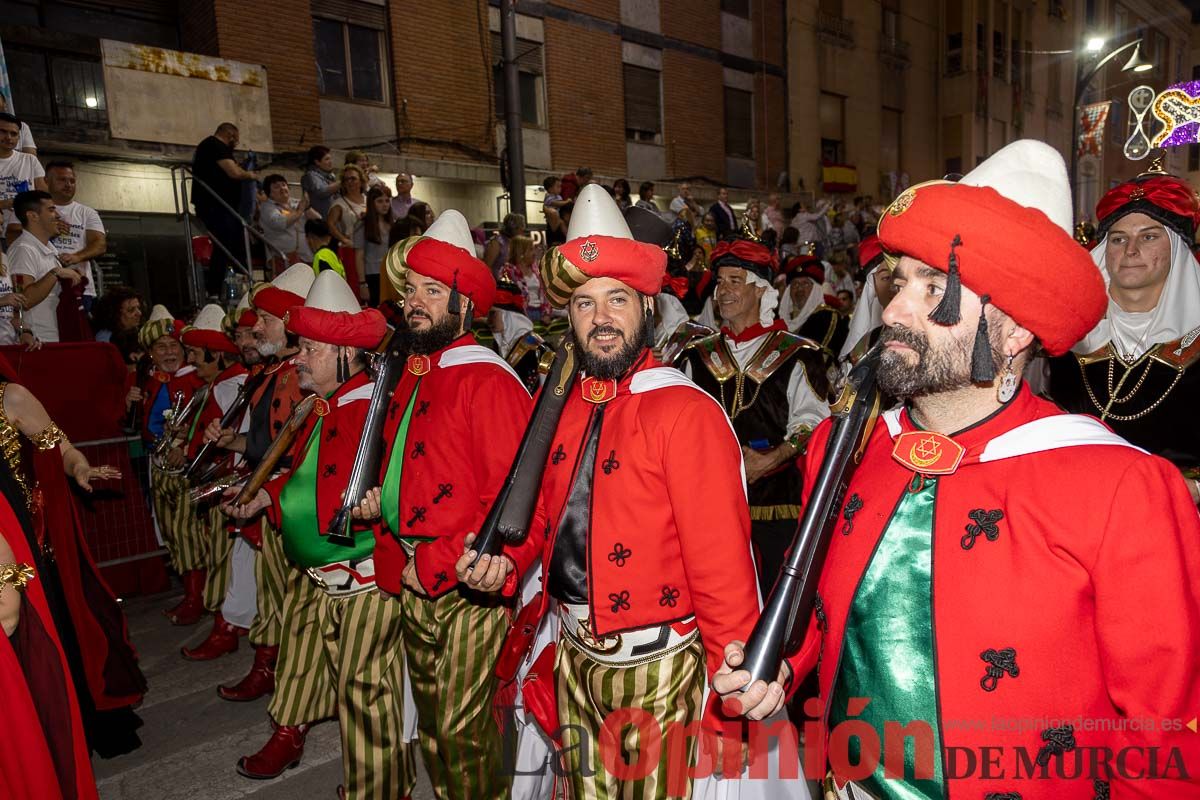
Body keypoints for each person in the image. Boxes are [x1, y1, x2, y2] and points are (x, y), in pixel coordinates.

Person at [713, 140, 1200, 799]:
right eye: (897, 281)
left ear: (1013, 329)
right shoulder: (845, 447)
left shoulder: (1120, 487)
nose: (893, 311)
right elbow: (829, 612)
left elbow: (1167, 734)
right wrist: (778, 667)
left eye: (934, 288)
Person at [479, 184, 761, 799]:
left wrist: (731, 706)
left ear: (646, 309)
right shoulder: (558, 406)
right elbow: (549, 516)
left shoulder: (687, 413)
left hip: (661, 675)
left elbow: (723, 576)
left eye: (616, 300)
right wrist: (505, 562)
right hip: (575, 661)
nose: (600, 319)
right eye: (583, 304)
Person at [350, 225, 543, 800]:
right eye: (410, 288)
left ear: (466, 305)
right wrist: (377, 504)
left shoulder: (486, 378)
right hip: (415, 577)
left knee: (464, 730)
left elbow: (511, 501)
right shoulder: (416, 372)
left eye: (433, 290)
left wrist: (433, 559)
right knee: (434, 727)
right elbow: (417, 469)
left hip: (465, 581)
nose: (414, 301)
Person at [225, 271, 417, 800]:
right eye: (302, 346)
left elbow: (381, 488)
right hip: (318, 574)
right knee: (301, 664)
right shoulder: (322, 406)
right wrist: (268, 494)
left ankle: (379, 789)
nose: (299, 358)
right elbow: (309, 474)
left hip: (362, 584)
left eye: (311, 348)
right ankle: (290, 736)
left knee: (365, 695)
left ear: (345, 354)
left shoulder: (371, 408)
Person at [680, 237, 832, 592]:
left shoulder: (798, 354)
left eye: (736, 281)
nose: (724, 291)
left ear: (761, 290)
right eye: (720, 282)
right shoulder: (694, 355)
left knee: (775, 596)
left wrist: (774, 456)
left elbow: (816, 423)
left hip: (776, 504)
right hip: (707, 502)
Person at [1048, 160, 1200, 488]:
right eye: (1118, 239)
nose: (1131, 250)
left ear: (1176, 249)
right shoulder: (1068, 336)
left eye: (1148, 237)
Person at [191, 122, 257, 298]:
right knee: (224, 245)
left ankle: (245, 285)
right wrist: (250, 175)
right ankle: (214, 291)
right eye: (235, 139)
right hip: (216, 206)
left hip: (224, 207)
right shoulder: (215, 145)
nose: (236, 143)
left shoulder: (212, 148)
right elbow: (234, 172)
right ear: (230, 135)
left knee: (235, 245)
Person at [9, 190, 85, 344]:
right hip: (38, 341)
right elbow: (24, 301)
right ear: (33, 216)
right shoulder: (23, 249)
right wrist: (55, 273)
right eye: (51, 210)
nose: (57, 215)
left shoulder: (49, 249)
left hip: (56, 336)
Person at [45, 161, 105, 314]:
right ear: (46, 181)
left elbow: (100, 244)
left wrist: (77, 256)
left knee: (79, 335)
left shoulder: (87, 212)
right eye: (62, 180)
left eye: (72, 181)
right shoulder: (37, 210)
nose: (68, 184)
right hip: (45, 285)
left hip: (80, 288)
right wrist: (49, 231)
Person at [838, 234, 894, 366]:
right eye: (886, 278)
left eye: (900, 276)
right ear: (873, 285)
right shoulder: (864, 346)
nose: (894, 285)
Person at [0, 112, 46, 242]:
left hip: (25, 235)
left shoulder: (30, 160)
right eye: (3, 132)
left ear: (19, 137)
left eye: (13, 134)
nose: (9, 137)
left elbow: (43, 193)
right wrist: (3, 203)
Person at [259, 174, 315, 272]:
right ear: (269, 193)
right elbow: (280, 223)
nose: (282, 188)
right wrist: (299, 211)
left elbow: (318, 219)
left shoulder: (296, 203)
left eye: (284, 185)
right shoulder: (267, 208)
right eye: (276, 187)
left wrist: (307, 207)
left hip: (306, 256)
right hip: (283, 258)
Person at [326, 164, 368, 296]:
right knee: (355, 286)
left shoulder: (369, 200)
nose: (350, 182)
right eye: (346, 179)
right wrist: (344, 239)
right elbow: (330, 225)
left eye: (353, 179)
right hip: (351, 250)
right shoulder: (339, 203)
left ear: (361, 181)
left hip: (370, 249)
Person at [92, 285, 143, 365]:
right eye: (131, 310)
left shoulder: (139, 332)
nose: (139, 313)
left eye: (138, 308)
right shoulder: (104, 339)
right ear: (114, 314)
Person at [361, 186, 394, 306]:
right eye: (380, 201)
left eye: (387, 201)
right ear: (372, 203)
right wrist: (362, 283)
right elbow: (359, 255)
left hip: (389, 273)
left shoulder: (392, 224)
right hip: (372, 275)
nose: (385, 205)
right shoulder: (363, 225)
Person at [300, 145, 339, 220]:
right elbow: (321, 191)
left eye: (330, 159)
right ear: (317, 162)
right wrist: (342, 182)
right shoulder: (310, 176)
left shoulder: (330, 176)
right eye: (327, 159)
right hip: (320, 221)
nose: (331, 162)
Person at [483, 211, 525, 276]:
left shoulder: (514, 243)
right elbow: (486, 266)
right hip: (496, 281)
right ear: (514, 228)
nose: (523, 232)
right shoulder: (497, 242)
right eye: (521, 228)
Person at [541, 175, 568, 245]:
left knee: (562, 223)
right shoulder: (548, 196)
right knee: (561, 223)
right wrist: (566, 202)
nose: (560, 189)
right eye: (558, 187)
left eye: (560, 186)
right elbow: (556, 203)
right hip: (552, 219)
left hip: (558, 217)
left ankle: (568, 237)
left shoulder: (558, 196)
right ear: (550, 189)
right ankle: (568, 237)